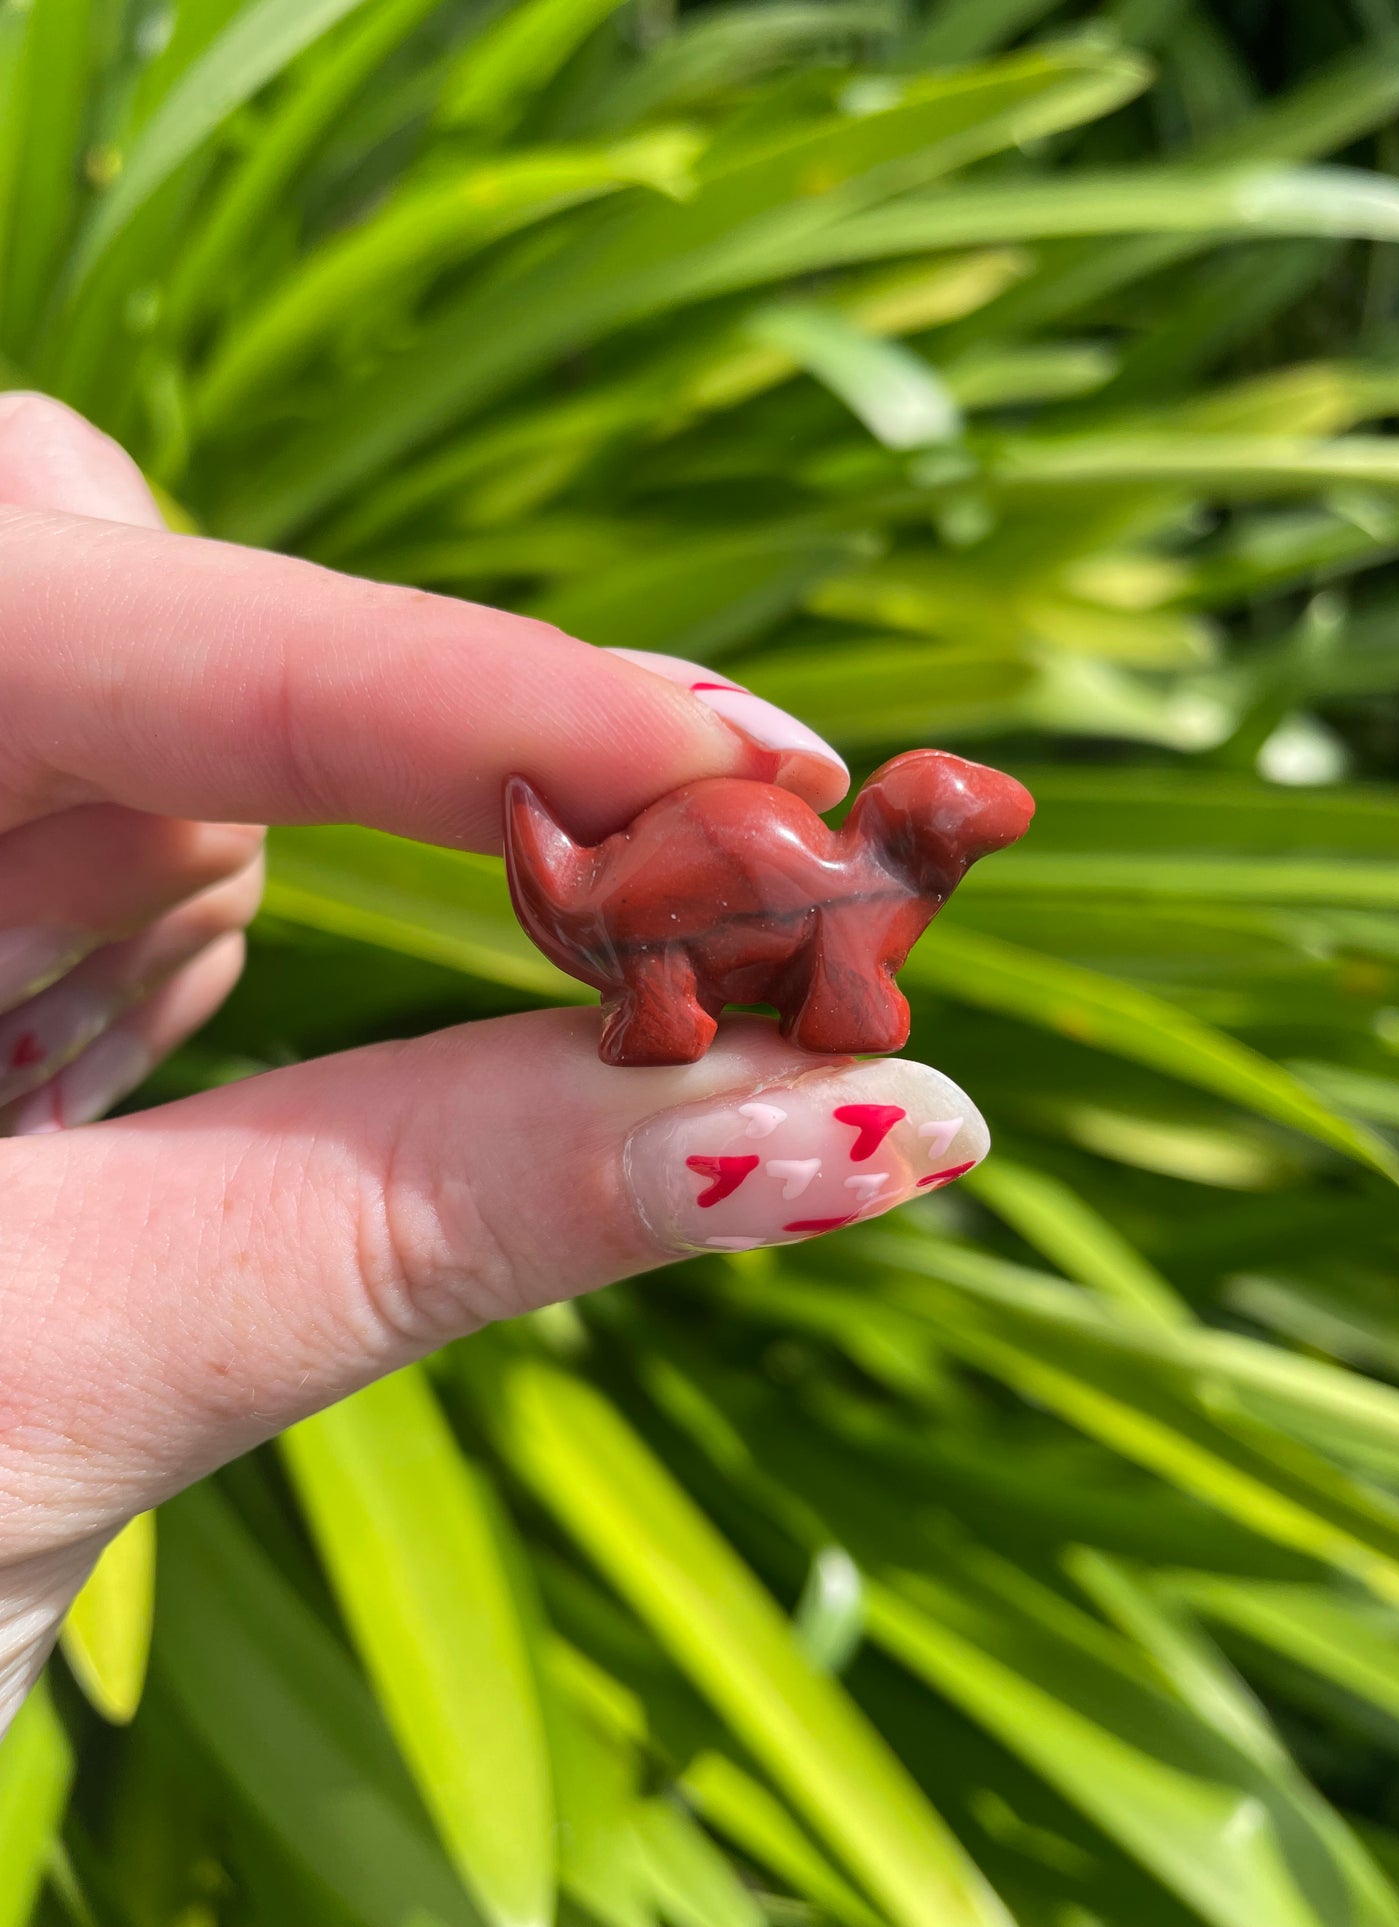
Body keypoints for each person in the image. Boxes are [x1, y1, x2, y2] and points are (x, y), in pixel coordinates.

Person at [0, 393, 979, 1730]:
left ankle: (664, 1006)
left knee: (685, 962)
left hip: (693, 890)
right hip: (672, 911)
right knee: (672, 986)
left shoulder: (856, 890)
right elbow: (855, 1008)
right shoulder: (857, 906)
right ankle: (663, 1011)